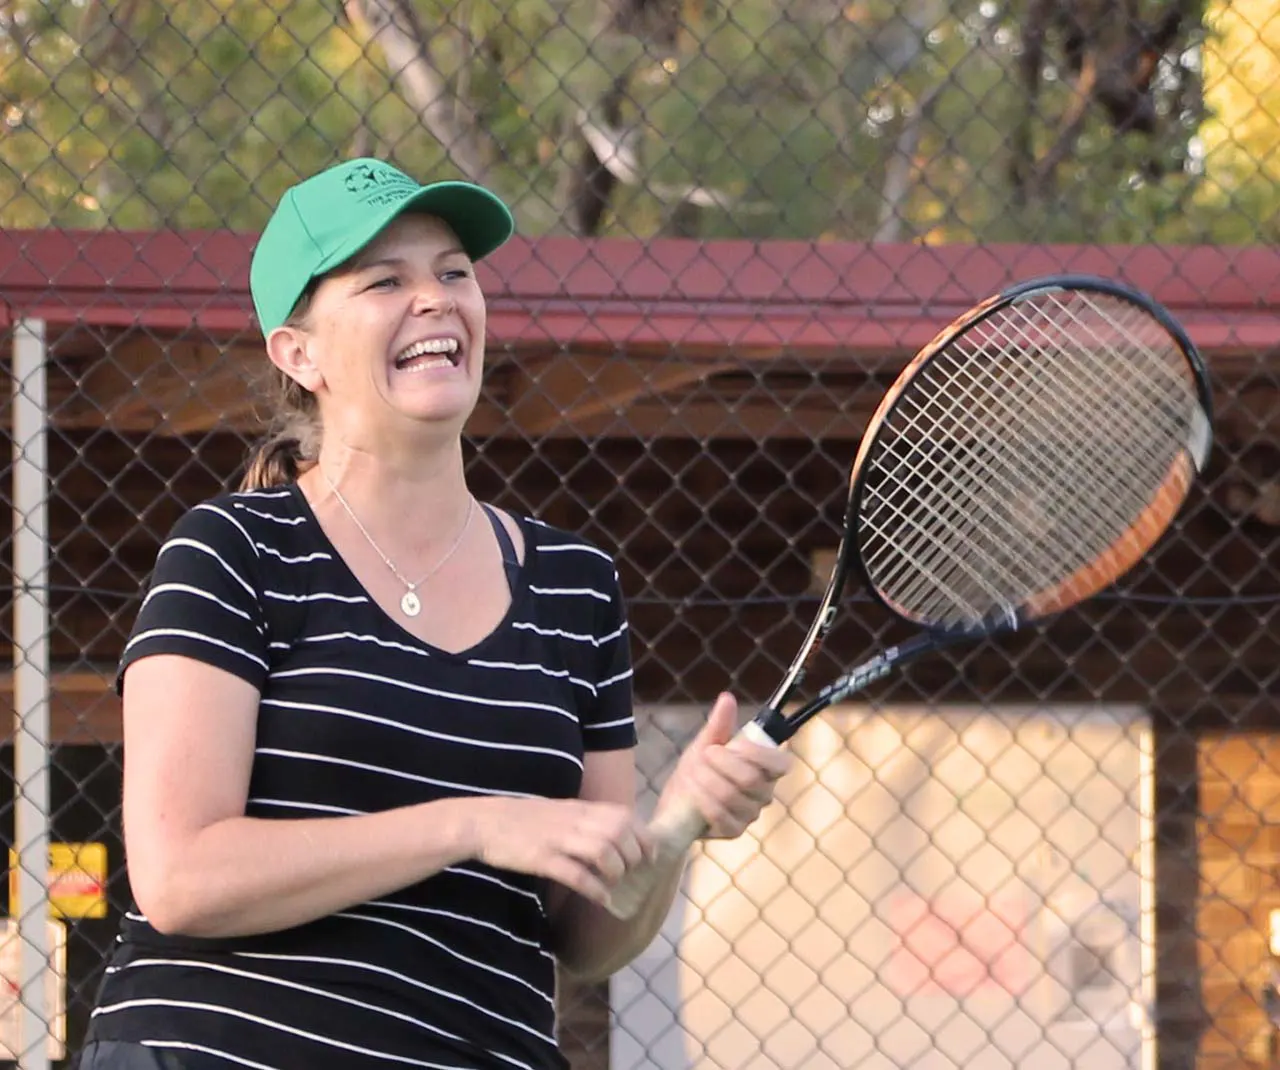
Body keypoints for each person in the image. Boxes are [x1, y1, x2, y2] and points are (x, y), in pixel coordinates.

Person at [78, 157, 792, 1070]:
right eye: (386, 280)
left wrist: (678, 827)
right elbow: (181, 879)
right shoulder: (233, 550)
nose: (436, 299)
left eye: (454, 271)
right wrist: (471, 822)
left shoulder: (576, 585)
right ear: (298, 353)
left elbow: (587, 938)